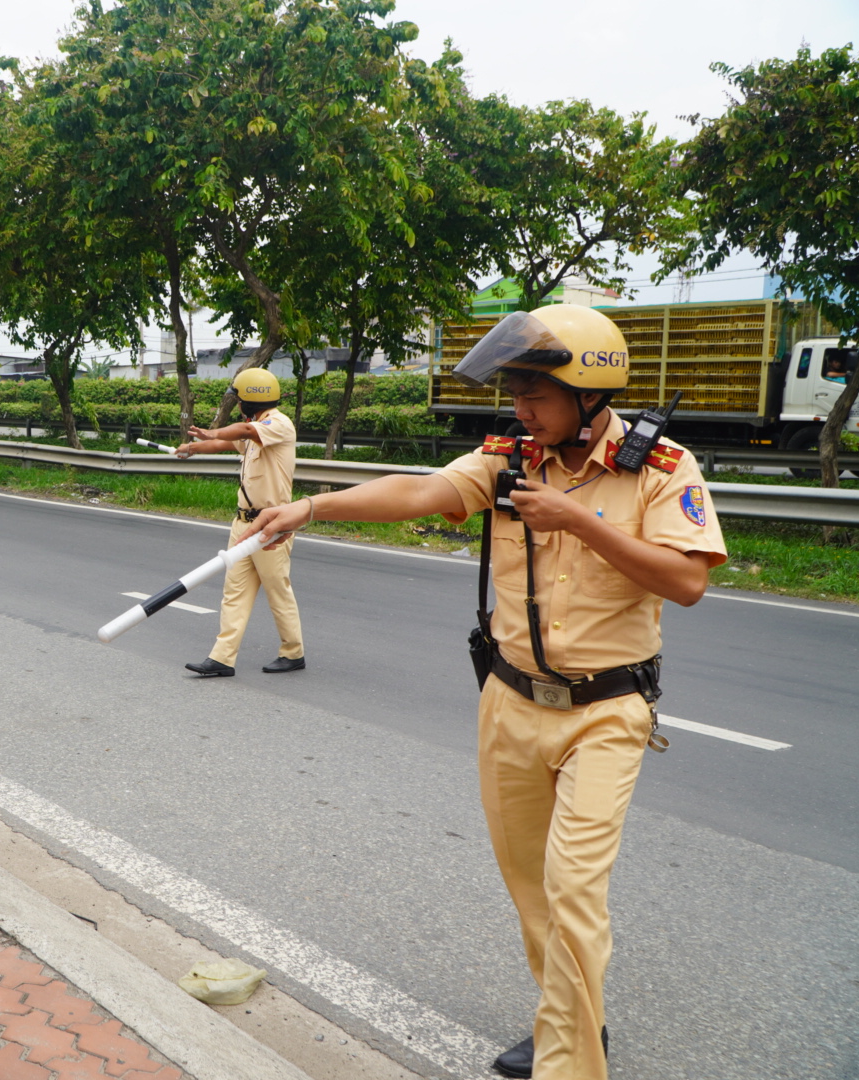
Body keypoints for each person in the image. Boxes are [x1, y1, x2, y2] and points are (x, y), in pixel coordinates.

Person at [241, 305, 725, 1080]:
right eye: (515, 392)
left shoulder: (661, 468)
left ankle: (570, 1061)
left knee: (573, 889)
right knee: (532, 889)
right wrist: (309, 506)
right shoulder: (509, 458)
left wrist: (576, 520)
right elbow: (420, 491)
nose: (519, 409)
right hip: (508, 702)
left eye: (534, 392)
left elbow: (688, 581)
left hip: (605, 710)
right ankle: (570, 1020)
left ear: (588, 393)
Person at [176, 367, 304, 677]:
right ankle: (222, 658)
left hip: (272, 524)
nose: (237, 404)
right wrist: (193, 447)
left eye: (239, 398)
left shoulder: (277, 424)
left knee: (277, 589)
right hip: (243, 523)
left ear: (251, 398)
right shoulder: (253, 427)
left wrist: (214, 431)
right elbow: (225, 444)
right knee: (234, 591)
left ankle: (293, 652)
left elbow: (242, 434)